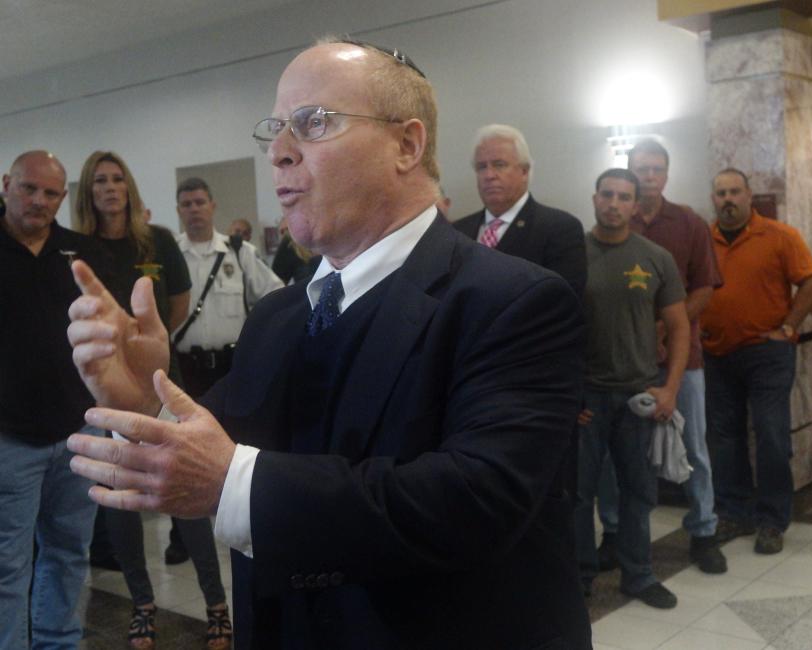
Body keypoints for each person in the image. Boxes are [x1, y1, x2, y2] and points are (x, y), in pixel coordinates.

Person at [65, 39, 590, 650]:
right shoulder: (280, 316)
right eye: (277, 130)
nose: (280, 153)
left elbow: (475, 501)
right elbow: (219, 443)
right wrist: (149, 399)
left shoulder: (514, 300)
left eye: (314, 124)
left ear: (407, 145)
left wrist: (234, 486)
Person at [74, 151, 232, 650]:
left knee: (186, 497)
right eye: (99, 180)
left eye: (118, 178)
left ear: (130, 186)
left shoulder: (158, 240)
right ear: (88, 191)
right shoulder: (78, 249)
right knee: (124, 503)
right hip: (106, 392)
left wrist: (149, 346)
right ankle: (142, 604)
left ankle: (216, 605)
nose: (110, 187)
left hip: (164, 382)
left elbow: (179, 304)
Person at [0, 151, 111, 649]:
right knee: (7, 563)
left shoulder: (79, 253)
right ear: (7, 185)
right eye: (29, 189)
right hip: (8, 437)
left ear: (63, 198)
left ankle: (58, 643)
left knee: (69, 553)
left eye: (51, 194)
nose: (39, 201)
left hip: (76, 431)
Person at [574, 168, 689, 608]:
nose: (614, 204)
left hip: (638, 397)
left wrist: (671, 389)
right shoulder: (571, 254)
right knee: (580, 495)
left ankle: (639, 575)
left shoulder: (655, 257)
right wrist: (567, 395)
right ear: (594, 197)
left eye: (624, 197)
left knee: (638, 492)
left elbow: (679, 328)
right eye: (607, 195)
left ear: (636, 206)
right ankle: (581, 575)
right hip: (585, 398)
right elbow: (551, 330)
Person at [700, 168, 812, 555]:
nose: (727, 199)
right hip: (717, 353)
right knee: (723, 438)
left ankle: (772, 520)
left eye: (735, 192)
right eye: (720, 193)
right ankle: (733, 513)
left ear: (749, 195)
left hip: (767, 353)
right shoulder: (703, 237)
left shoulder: (780, 235)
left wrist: (788, 327)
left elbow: (811, 282)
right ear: (713, 199)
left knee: (770, 435)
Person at [622, 138, 726, 574]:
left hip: (687, 361)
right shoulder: (614, 222)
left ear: (666, 174)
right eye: (640, 168)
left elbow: (705, 287)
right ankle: (623, 534)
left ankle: (703, 531)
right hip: (628, 361)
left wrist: (668, 327)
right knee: (627, 453)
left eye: (656, 169)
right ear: (628, 171)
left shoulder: (688, 223)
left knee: (695, 448)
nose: (648, 176)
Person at [173, 177, 282, 397]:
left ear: (212, 206)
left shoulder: (239, 252)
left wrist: (260, 340)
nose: (194, 209)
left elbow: (276, 296)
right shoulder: (170, 255)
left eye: (200, 202)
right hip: (184, 371)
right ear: (178, 210)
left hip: (231, 368)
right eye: (186, 204)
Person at [453, 123, 586, 297]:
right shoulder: (458, 231)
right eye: (481, 167)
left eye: (499, 165)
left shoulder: (560, 229)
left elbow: (561, 302)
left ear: (524, 171)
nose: (489, 175)